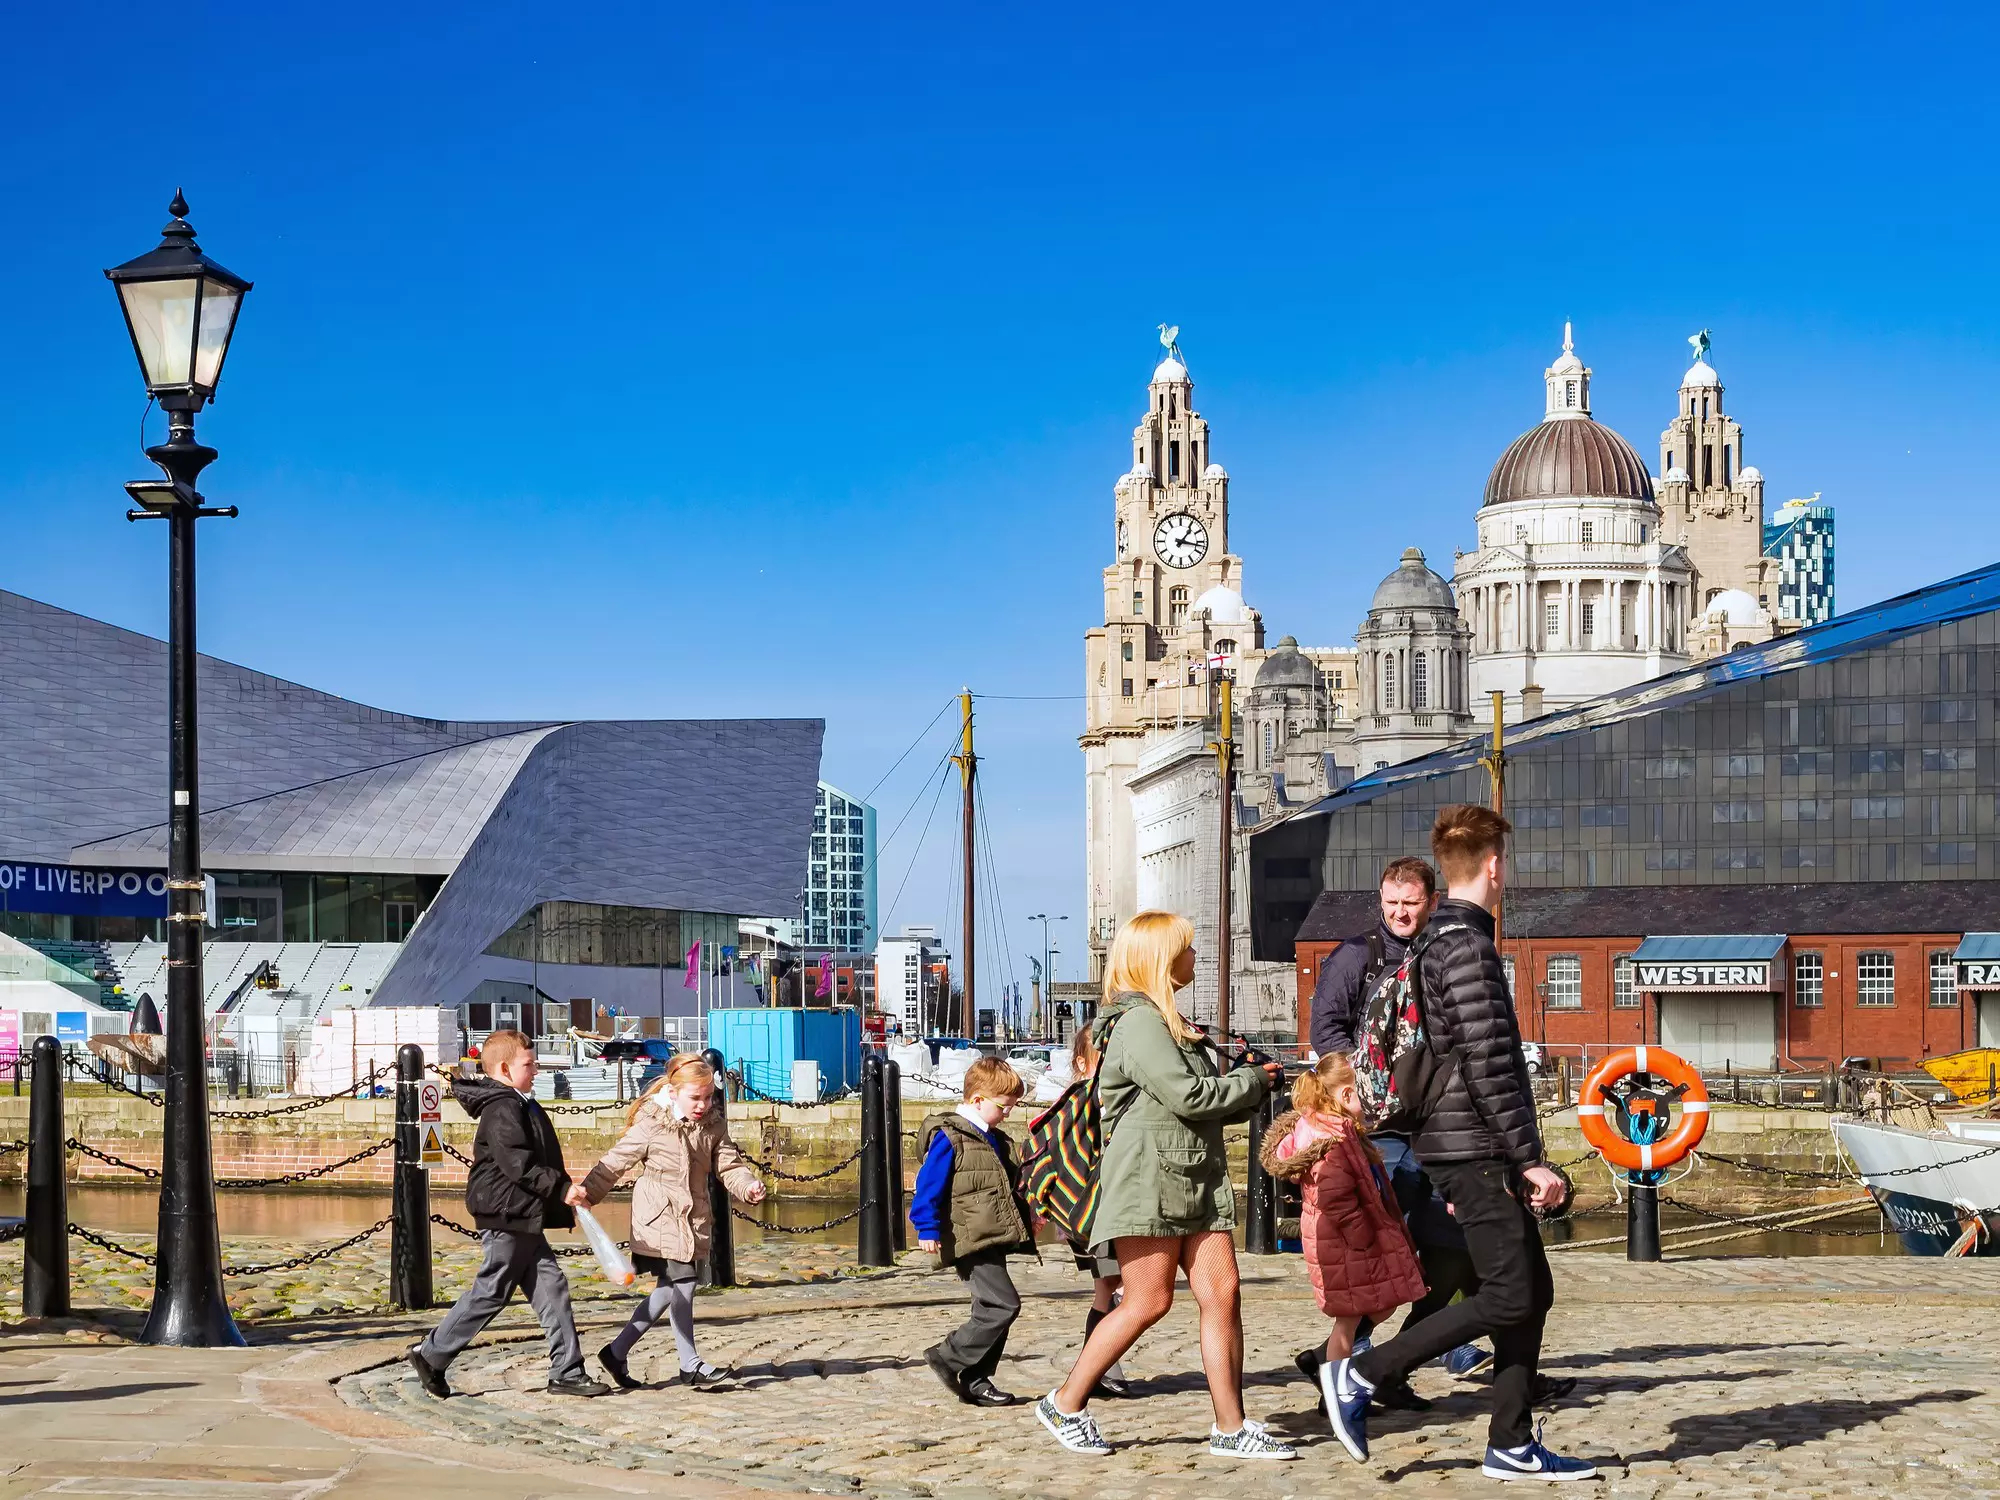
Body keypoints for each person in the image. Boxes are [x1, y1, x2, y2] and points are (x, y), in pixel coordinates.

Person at [1326, 805, 1595, 1482]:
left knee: (1531, 1289)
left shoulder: (1433, 940)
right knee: (1509, 1295)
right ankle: (1363, 1372)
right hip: (1474, 1146)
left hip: (1455, 1140)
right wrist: (1529, 1159)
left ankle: (1511, 1442)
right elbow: (1489, 1062)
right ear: (1496, 866)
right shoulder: (1467, 947)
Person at [1035, 910, 1294, 1462]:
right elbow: (1189, 1097)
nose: (1194, 956)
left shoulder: (1166, 1022)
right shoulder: (1138, 1025)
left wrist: (1249, 1081)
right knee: (1147, 1301)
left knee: (1223, 1293)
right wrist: (1250, 1080)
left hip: (1194, 1178)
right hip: (1148, 1184)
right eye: (1186, 948)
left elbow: (1199, 1105)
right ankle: (1065, 1402)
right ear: (1160, 958)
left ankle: (1231, 1426)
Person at [1301, 855, 1486, 1407]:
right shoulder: (1355, 957)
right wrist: (1370, 1081)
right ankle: (1346, 1366)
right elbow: (1325, 1030)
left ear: (1432, 901)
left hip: (1436, 1125)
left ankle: (1389, 1364)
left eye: (1410, 903)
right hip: (1380, 1131)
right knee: (1382, 1255)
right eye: (1391, 904)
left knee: (1453, 1252)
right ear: (1380, 901)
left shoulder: (1443, 952)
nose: (1400, 913)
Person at [406, 1030, 608, 1399]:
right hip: (506, 1215)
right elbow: (519, 1163)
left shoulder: (518, 1103)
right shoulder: (503, 1108)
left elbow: (536, 1160)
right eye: (529, 1064)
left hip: (521, 1214)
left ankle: (567, 1371)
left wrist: (561, 1196)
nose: (536, 1071)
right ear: (504, 1068)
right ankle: (431, 1354)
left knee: (552, 1289)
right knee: (492, 1291)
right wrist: (562, 1189)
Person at [575, 1052, 767, 1390]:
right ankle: (690, 1364)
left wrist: (748, 1186)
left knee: (667, 1289)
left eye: (708, 1097)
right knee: (685, 1283)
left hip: (691, 1218)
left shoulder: (713, 1124)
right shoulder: (652, 1122)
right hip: (658, 1217)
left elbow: (728, 1164)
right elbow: (616, 1161)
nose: (702, 1105)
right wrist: (586, 1194)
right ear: (674, 1093)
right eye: (695, 1098)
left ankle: (616, 1352)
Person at [1260, 1053, 1426, 1425]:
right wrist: (1362, 1233)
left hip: (1346, 1240)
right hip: (1344, 1243)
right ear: (1347, 1094)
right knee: (1348, 1324)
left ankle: (1337, 1379)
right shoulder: (1331, 1138)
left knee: (1377, 1306)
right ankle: (1336, 1390)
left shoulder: (1338, 1129)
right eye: (1366, 1091)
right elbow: (1335, 1196)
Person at [912, 1055, 1039, 1408]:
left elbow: (1008, 1186)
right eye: (1004, 1106)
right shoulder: (950, 1137)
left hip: (991, 1234)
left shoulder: (993, 1138)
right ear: (978, 1100)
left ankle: (976, 1380)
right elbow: (928, 1185)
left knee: (990, 1307)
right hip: (968, 1238)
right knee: (1004, 1304)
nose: (1008, 1113)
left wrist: (1031, 1214)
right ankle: (948, 1356)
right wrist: (926, 1227)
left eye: (1013, 1106)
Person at [1066, 1026, 1130, 1399]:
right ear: (1083, 1063)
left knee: (1111, 1288)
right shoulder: (1085, 1101)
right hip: (1096, 1210)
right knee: (1112, 1287)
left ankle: (1100, 1369)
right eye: (1103, 1059)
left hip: (1112, 1205)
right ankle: (1098, 1370)